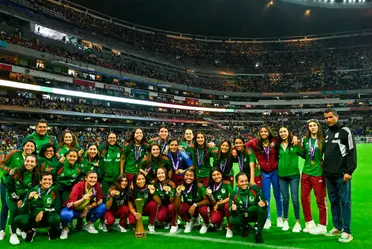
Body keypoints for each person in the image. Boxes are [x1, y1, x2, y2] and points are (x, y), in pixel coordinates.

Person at [323, 109, 357, 243]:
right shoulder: (326, 133)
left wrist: (349, 171)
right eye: (326, 118)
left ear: (337, 117)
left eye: (331, 117)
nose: (328, 120)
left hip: (341, 175)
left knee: (345, 202)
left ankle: (347, 231)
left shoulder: (345, 131)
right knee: (334, 202)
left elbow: (351, 151)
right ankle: (338, 226)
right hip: (329, 175)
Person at [247, 126, 283, 229]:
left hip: (275, 172)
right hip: (264, 173)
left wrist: (294, 138)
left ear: (269, 132)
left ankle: (279, 217)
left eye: (265, 131)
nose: (263, 133)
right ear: (259, 133)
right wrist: (249, 151)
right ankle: (267, 218)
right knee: (266, 197)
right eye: (261, 131)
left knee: (277, 195)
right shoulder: (255, 143)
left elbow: (287, 137)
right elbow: (244, 146)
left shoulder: (275, 140)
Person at [0, 140, 36, 242]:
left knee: (24, 209)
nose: (29, 148)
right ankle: (3, 230)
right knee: (9, 208)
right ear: (23, 146)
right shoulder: (14, 153)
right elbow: (2, 163)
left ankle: (21, 228)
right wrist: (8, 170)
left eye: (32, 146)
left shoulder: (34, 167)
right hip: (7, 184)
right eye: (27, 145)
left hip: (22, 191)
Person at [15, 172, 61, 242]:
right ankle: (30, 231)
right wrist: (28, 200)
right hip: (33, 218)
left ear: (52, 182)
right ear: (40, 181)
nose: (47, 181)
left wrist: (43, 211)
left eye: (49, 179)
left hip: (47, 218)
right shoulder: (33, 190)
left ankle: (52, 231)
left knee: (56, 218)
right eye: (45, 179)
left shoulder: (54, 191)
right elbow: (22, 210)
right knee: (18, 219)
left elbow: (57, 207)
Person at [60, 170, 106, 239]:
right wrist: (82, 199)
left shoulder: (97, 186)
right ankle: (65, 228)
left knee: (102, 207)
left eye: (95, 178)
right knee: (65, 214)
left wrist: (88, 207)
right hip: (74, 210)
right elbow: (71, 205)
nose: (93, 180)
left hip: (86, 210)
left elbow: (99, 200)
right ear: (86, 178)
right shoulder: (78, 186)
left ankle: (88, 224)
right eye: (91, 177)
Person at [300, 119, 327, 235]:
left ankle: (323, 225)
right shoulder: (305, 140)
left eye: (314, 125)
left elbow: (329, 155)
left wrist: (323, 164)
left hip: (318, 173)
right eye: (310, 126)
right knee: (304, 198)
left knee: (320, 200)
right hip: (306, 172)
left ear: (318, 127)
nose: (312, 127)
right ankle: (309, 222)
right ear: (308, 128)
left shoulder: (323, 141)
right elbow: (303, 155)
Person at [6, 154, 40, 245]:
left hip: (25, 197)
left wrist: (25, 200)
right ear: (24, 161)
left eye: (32, 161)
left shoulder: (36, 175)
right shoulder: (15, 172)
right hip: (12, 195)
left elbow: (34, 189)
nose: (29, 163)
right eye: (27, 161)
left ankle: (23, 229)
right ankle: (12, 234)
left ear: (36, 164)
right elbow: (9, 187)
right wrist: (17, 199)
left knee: (25, 211)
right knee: (14, 211)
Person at [229, 172, 268, 243]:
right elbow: (230, 209)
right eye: (241, 181)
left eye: (246, 181)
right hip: (242, 214)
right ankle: (245, 226)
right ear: (237, 183)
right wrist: (232, 209)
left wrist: (264, 203)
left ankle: (258, 233)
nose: (245, 183)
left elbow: (264, 200)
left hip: (254, 213)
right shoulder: (234, 193)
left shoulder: (254, 188)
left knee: (263, 210)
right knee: (232, 219)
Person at [277, 126, 302, 232]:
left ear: (288, 132)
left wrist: (298, 140)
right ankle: (285, 221)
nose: (283, 133)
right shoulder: (276, 146)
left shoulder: (294, 144)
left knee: (295, 199)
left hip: (294, 176)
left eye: (284, 131)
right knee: (285, 199)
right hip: (282, 176)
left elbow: (305, 154)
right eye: (281, 132)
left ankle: (297, 222)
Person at [175, 169, 209, 234]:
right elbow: (177, 206)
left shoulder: (200, 186)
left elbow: (207, 201)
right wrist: (178, 194)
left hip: (199, 206)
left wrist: (195, 205)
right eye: (187, 175)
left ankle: (206, 223)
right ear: (183, 176)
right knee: (181, 208)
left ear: (194, 177)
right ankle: (189, 221)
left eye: (191, 176)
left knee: (204, 210)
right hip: (189, 207)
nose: (188, 177)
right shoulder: (181, 187)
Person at [206, 168, 232, 238]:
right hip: (219, 209)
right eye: (214, 175)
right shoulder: (210, 186)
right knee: (214, 220)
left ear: (221, 175)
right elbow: (213, 203)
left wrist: (218, 204)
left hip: (226, 207)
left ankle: (230, 226)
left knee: (227, 205)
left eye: (218, 174)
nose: (216, 176)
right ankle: (219, 222)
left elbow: (230, 198)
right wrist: (210, 196)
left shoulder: (227, 183)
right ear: (211, 177)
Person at [153, 167, 178, 233]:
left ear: (166, 174)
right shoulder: (155, 184)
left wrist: (170, 192)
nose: (160, 175)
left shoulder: (171, 184)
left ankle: (174, 224)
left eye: (162, 173)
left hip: (171, 204)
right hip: (163, 205)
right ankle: (168, 221)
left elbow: (172, 200)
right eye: (158, 173)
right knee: (160, 217)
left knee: (171, 207)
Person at [99, 132, 124, 196]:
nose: (112, 139)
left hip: (116, 178)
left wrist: (121, 173)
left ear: (116, 139)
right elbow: (96, 156)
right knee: (105, 196)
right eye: (110, 138)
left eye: (114, 138)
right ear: (107, 139)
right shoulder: (102, 149)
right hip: (106, 179)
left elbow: (122, 161)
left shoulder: (120, 149)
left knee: (116, 196)